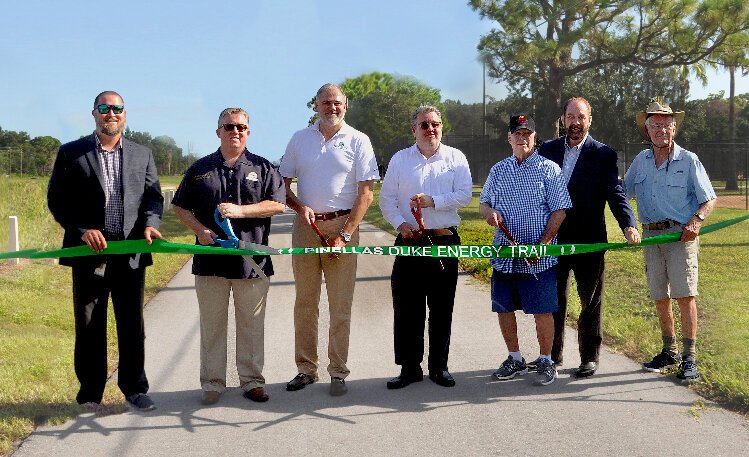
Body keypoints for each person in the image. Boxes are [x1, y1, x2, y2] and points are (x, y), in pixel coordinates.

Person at [47, 91, 163, 411]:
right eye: (104, 108)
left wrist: (151, 224)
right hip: (88, 253)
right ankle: (90, 393)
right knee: (89, 325)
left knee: (131, 324)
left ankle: (135, 388)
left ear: (125, 114)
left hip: (130, 253)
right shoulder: (72, 153)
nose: (110, 113)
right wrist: (82, 231)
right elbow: (58, 201)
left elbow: (153, 198)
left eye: (117, 108)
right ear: (94, 113)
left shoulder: (142, 154)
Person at [172, 108, 285, 405]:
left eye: (241, 127)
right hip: (210, 263)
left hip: (252, 262)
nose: (235, 131)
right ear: (218, 131)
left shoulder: (263, 167)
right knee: (212, 325)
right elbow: (180, 207)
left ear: (248, 132)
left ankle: (251, 381)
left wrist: (241, 211)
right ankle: (212, 382)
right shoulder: (199, 169)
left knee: (251, 325)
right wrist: (199, 230)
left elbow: (278, 205)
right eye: (229, 126)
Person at [279, 84, 379, 396]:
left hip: (343, 227)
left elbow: (366, 193)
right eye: (325, 103)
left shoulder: (358, 140)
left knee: (340, 304)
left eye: (336, 103)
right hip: (306, 227)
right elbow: (282, 185)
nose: (331, 108)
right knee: (305, 303)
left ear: (345, 106)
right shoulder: (300, 139)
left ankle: (338, 371)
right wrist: (299, 207)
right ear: (316, 106)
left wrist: (346, 234)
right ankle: (306, 369)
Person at [538, 97, 641, 378]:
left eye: (581, 117)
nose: (575, 122)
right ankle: (552, 356)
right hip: (553, 240)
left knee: (591, 302)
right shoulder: (546, 150)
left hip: (589, 241)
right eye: (571, 116)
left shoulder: (604, 154)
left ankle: (588, 358)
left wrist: (628, 224)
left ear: (589, 120)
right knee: (553, 300)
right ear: (563, 119)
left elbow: (615, 193)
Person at [623, 97, 717, 382]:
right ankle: (670, 350)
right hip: (650, 236)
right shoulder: (640, 161)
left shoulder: (689, 160)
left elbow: (709, 199)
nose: (661, 130)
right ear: (647, 131)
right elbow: (622, 195)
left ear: (674, 129)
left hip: (681, 235)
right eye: (655, 126)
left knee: (684, 295)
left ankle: (689, 358)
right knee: (659, 297)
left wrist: (696, 222)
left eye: (666, 125)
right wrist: (629, 225)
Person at [380, 105, 473, 389]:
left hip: (444, 240)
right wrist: (400, 224)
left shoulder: (456, 158)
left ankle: (439, 367)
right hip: (410, 240)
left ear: (441, 127)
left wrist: (434, 201)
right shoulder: (400, 160)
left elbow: (465, 195)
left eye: (435, 124)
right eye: (424, 125)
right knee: (408, 307)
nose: (430, 129)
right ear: (414, 130)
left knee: (442, 307)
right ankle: (410, 369)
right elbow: (387, 200)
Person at [479, 114, 571, 386]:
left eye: (527, 133)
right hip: (505, 256)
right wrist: (490, 213)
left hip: (538, 259)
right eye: (517, 134)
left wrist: (542, 246)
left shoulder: (549, 169)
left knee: (542, 310)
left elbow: (560, 211)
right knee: (504, 309)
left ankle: (545, 360)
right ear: (509, 138)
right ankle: (515, 358)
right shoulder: (498, 170)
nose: (522, 138)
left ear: (534, 137)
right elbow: (484, 203)